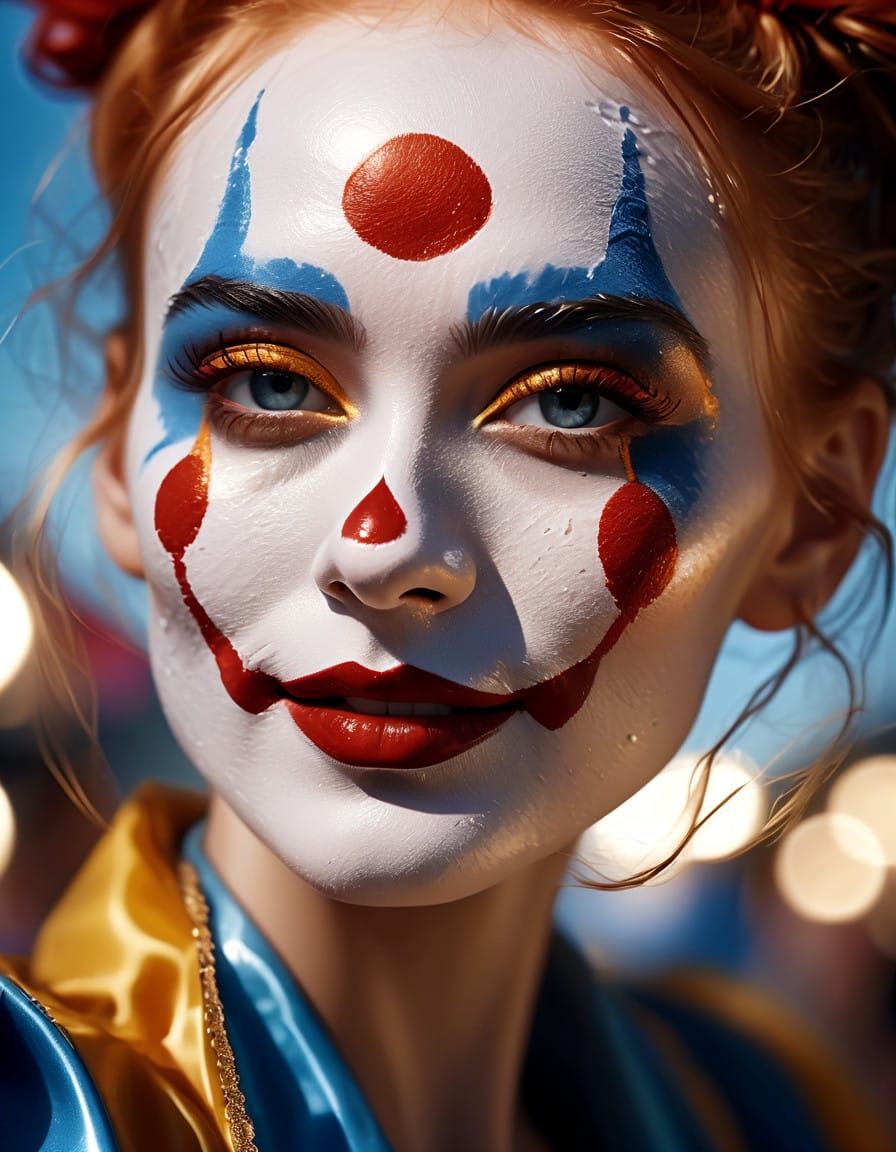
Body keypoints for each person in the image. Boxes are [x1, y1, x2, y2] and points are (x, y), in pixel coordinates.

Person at [2, 0, 894, 1149]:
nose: (385, 546)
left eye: (570, 402)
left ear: (813, 511)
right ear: (120, 457)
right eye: (268, 385)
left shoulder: (771, 1114)